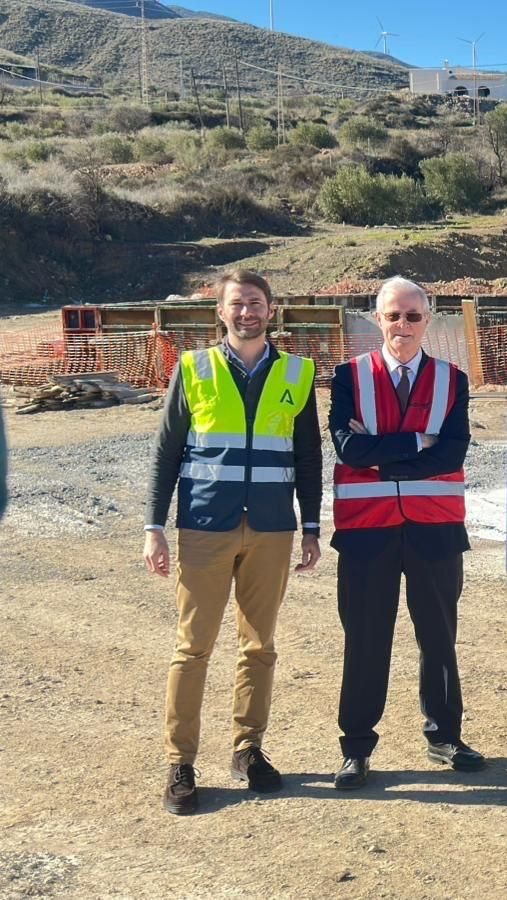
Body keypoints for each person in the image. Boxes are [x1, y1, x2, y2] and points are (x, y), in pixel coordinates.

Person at [142, 269, 322, 815]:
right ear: (220, 312)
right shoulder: (193, 369)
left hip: (270, 530)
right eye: (237, 304)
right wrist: (154, 526)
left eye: (256, 303)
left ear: (272, 311)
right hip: (204, 526)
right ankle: (181, 762)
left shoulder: (298, 372)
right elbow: (167, 451)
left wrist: (311, 525)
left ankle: (248, 751)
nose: (247, 312)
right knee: (193, 647)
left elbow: (309, 456)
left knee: (259, 647)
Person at [329, 276, 481, 790]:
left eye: (413, 316)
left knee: (439, 638)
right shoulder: (348, 377)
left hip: (435, 530)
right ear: (378, 319)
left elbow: (452, 452)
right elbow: (348, 450)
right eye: (393, 316)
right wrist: (419, 443)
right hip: (366, 533)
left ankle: (445, 736)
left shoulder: (452, 379)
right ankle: (356, 748)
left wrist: (385, 456)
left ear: (428, 320)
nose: (403, 325)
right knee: (365, 639)